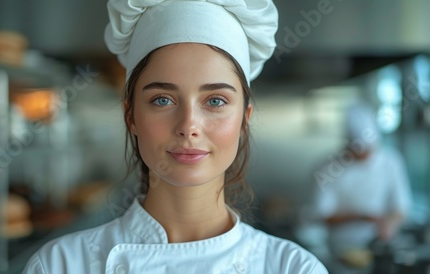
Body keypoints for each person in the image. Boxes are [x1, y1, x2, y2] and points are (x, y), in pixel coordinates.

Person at [23, 0, 328, 273]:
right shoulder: (61, 264)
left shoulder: (293, 268)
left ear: (244, 119)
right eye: (163, 100)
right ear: (131, 116)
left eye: (216, 101)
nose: (188, 125)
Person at [313, 103, 412, 271]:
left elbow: (401, 207)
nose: (364, 155)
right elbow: (323, 216)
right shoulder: (328, 169)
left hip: (379, 247)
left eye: (369, 150)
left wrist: (390, 223)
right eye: (358, 150)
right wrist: (362, 217)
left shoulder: (391, 162)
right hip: (340, 251)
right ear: (348, 146)